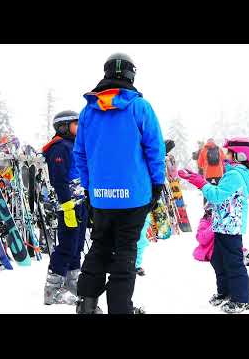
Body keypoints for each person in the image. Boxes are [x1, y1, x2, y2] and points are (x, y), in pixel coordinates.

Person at [74, 53, 166, 314]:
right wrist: (157, 184)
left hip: (101, 196)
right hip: (134, 196)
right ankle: (120, 308)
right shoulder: (140, 107)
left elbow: (80, 154)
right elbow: (155, 150)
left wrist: (89, 187)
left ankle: (87, 304)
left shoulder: (88, 112)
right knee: (125, 252)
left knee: (100, 245)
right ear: (131, 75)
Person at [179, 137, 249, 314]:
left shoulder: (235, 175)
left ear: (240, 155)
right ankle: (225, 292)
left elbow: (216, 195)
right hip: (223, 224)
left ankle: (242, 299)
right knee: (218, 260)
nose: (225, 155)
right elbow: (224, 197)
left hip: (230, 226)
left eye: (229, 152)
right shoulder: (236, 173)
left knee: (233, 263)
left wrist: (199, 181)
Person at [42, 110, 89, 306]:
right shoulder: (59, 148)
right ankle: (52, 289)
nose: (79, 127)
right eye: (75, 124)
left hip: (79, 203)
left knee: (77, 244)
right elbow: (59, 180)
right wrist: (67, 206)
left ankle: (72, 281)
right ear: (63, 126)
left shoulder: (73, 145)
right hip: (67, 205)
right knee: (67, 245)